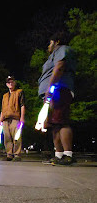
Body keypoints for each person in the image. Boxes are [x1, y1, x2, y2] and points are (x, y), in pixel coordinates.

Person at [38, 31, 76, 165]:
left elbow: (59, 67)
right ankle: (59, 155)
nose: (48, 45)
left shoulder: (63, 49)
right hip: (51, 93)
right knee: (54, 124)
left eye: (50, 43)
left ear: (57, 41)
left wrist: (50, 88)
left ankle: (68, 154)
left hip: (59, 89)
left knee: (62, 121)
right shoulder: (53, 55)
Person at [0, 75, 25, 161]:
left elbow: (22, 105)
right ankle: (9, 154)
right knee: (7, 137)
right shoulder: (5, 96)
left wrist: (22, 117)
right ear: (6, 84)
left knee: (16, 137)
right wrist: (0, 119)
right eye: (8, 82)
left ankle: (17, 154)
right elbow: (2, 108)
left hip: (15, 118)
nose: (10, 83)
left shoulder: (19, 92)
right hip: (5, 119)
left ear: (14, 83)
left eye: (12, 82)